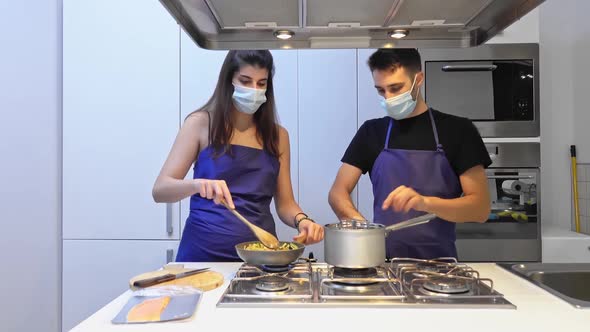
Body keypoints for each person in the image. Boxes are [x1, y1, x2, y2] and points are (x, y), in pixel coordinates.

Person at [153, 50, 324, 262]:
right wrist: (197, 185)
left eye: (261, 84)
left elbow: (286, 204)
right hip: (201, 255)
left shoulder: (278, 136)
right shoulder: (199, 124)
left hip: (260, 257)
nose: (254, 90)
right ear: (229, 80)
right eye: (245, 81)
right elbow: (160, 190)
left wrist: (303, 221)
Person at [328, 48, 491, 260]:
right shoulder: (372, 132)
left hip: (440, 268)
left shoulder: (458, 130)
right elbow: (337, 193)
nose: (388, 98)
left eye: (396, 88)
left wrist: (424, 203)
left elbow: (479, 209)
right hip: (383, 264)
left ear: (419, 79)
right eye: (381, 91)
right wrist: (363, 226)